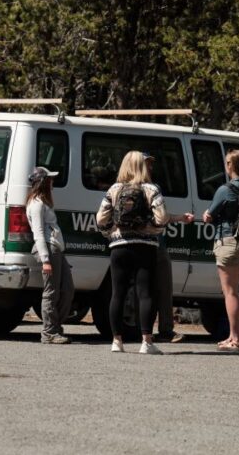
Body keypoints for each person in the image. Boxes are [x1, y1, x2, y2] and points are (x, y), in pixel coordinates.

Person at [96, 151, 169, 354]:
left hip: (119, 247)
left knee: (117, 293)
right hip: (145, 247)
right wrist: (151, 230)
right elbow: (161, 218)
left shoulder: (115, 189)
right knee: (145, 293)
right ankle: (146, 342)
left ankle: (116, 341)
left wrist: (110, 233)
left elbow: (100, 219)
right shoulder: (151, 189)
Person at [202, 149, 239, 353]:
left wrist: (206, 214)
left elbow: (210, 215)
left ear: (231, 166)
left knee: (230, 293)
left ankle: (237, 340)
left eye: (227, 162)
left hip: (228, 242)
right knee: (234, 291)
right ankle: (232, 336)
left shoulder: (225, 190)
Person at [142, 153, 194, 343]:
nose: (151, 168)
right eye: (148, 164)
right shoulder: (153, 188)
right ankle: (163, 330)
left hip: (136, 243)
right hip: (155, 243)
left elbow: (161, 216)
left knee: (147, 289)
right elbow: (161, 217)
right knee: (161, 287)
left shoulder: (124, 187)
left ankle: (147, 331)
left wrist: (179, 218)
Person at [26, 166, 75, 344]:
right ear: (43, 182)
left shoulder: (44, 202)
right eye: (50, 179)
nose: (52, 182)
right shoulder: (36, 204)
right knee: (51, 292)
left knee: (68, 289)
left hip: (56, 249)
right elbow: (38, 233)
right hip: (48, 248)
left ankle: (55, 327)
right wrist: (46, 260)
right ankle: (49, 332)